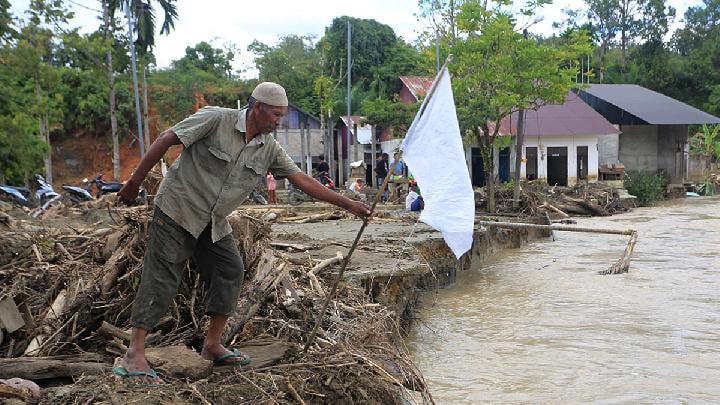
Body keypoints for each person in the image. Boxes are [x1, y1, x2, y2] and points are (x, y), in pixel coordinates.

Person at [115, 82, 370, 384]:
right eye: (276, 115)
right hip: (177, 209)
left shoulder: (268, 148)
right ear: (258, 108)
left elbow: (301, 179)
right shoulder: (215, 119)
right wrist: (134, 183)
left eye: (282, 116)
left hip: (213, 221)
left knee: (230, 269)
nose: (279, 122)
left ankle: (212, 345)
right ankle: (134, 354)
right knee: (161, 277)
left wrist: (348, 204)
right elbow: (165, 139)